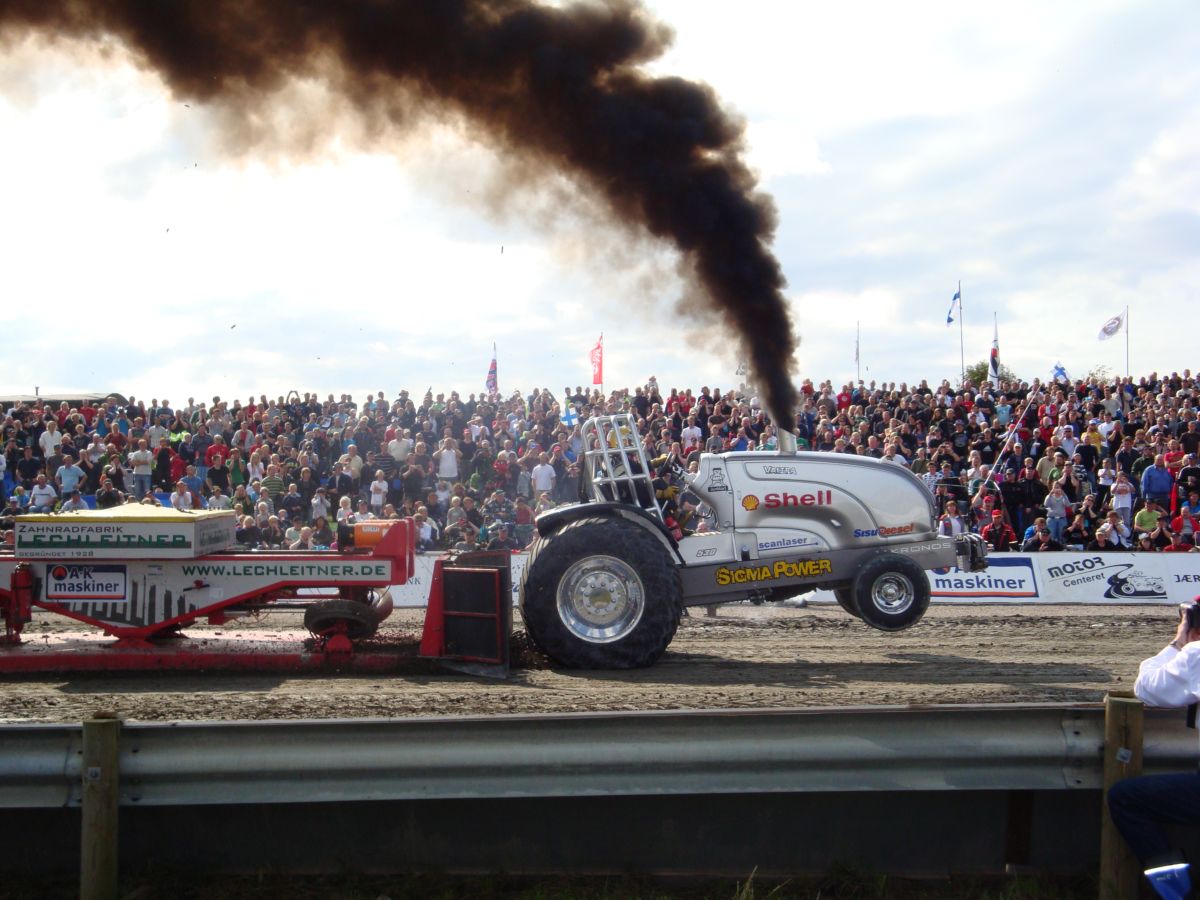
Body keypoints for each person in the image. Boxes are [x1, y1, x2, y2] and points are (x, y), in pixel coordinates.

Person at [1109, 601, 1200, 898]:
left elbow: (1147, 687)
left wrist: (1179, 642)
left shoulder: (1196, 654)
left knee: (1126, 799)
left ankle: (1178, 893)